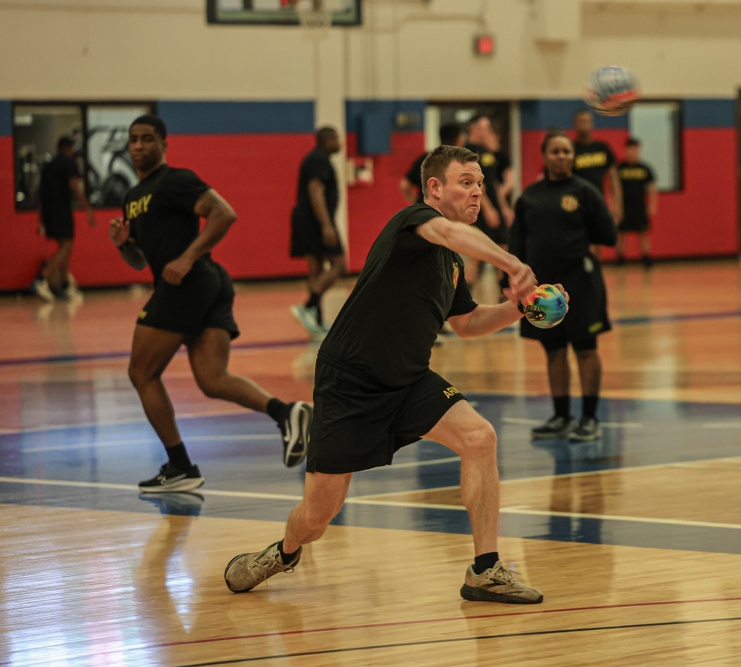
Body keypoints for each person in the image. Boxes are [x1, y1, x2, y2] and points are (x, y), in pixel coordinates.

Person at [224, 145, 545, 604]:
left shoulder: (451, 262)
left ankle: (485, 570)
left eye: (480, 185)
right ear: (434, 188)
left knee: (480, 437)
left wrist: (519, 307)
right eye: (466, 183)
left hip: (409, 378)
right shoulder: (413, 222)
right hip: (351, 381)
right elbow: (451, 234)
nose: (477, 193)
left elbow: (467, 323)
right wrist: (513, 265)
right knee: (318, 516)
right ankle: (282, 553)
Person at [108, 114, 313, 493]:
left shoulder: (175, 180)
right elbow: (140, 261)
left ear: (164, 144)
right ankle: (287, 413)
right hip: (204, 285)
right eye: (133, 139)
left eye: (147, 139)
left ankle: (181, 466)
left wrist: (187, 257)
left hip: (190, 282)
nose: (138, 146)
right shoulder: (132, 197)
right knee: (212, 379)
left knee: (141, 373)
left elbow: (224, 213)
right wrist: (125, 244)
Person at [509, 130, 618, 442]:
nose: (562, 157)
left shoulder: (585, 192)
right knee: (553, 351)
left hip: (581, 283)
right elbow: (517, 245)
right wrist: (513, 283)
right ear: (544, 156)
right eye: (556, 151)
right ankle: (560, 416)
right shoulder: (528, 197)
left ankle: (589, 418)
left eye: (567, 151)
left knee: (585, 348)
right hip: (540, 289)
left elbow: (608, 234)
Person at [289, 127, 345, 336]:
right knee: (340, 264)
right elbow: (315, 190)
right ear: (327, 140)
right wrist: (326, 224)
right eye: (337, 138)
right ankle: (308, 306)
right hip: (314, 221)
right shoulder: (319, 160)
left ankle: (318, 319)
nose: (340, 142)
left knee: (317, 270)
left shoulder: (315, 158)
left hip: (307, 220)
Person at [33, 136, 96, 301]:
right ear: (69, 148)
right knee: (67, 245)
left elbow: (40, 194)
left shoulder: (48, 165)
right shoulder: (69, 163)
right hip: (61, 209)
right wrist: (88, 209)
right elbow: (75, 187)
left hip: (48, 211)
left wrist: (40, 220)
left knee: (64, 245)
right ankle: (42, 279)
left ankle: (64, 284)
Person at [464, 114, 512, 292]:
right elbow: (476, 185)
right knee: (476, 254)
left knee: (503, 251)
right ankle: (465, 298)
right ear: (474, 128)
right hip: (481, 210)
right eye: (485, 127)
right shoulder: (468, 152)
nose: (488, 131)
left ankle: (504, 294)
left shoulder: (488, 152)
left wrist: (504, 208)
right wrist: (488, 209)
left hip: (495, 208)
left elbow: (493, 183)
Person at [571, 110, 623, 225]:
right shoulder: (570, 149)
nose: (584, 124)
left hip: (597, 200)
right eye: (581, 121)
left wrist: (617, 205)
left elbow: (614, 179)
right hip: (576, 202)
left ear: (592, 124)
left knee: (596, 238)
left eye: (587, 121)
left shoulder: (602, 148)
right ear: (574, 124)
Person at [398, 122, 467, 205]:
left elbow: (405, 185)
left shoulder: (426, 158)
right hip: (448, 211)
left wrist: (416, 204)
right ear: (458, 139)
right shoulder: (460, 161)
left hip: (425, 209)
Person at [615, 137, 657, 267]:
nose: (631, 152)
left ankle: (646, 257)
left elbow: (651, 188)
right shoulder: (620, 168)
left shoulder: (645, 169)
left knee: (643, 232)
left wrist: (652, 204)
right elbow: (614, 188)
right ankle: (621, 258)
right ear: (626, 150)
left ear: (638, 150)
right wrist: (615, 206)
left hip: (640, 206)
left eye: (634, 149)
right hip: (624, 206)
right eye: (629, 149)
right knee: (621, 233)